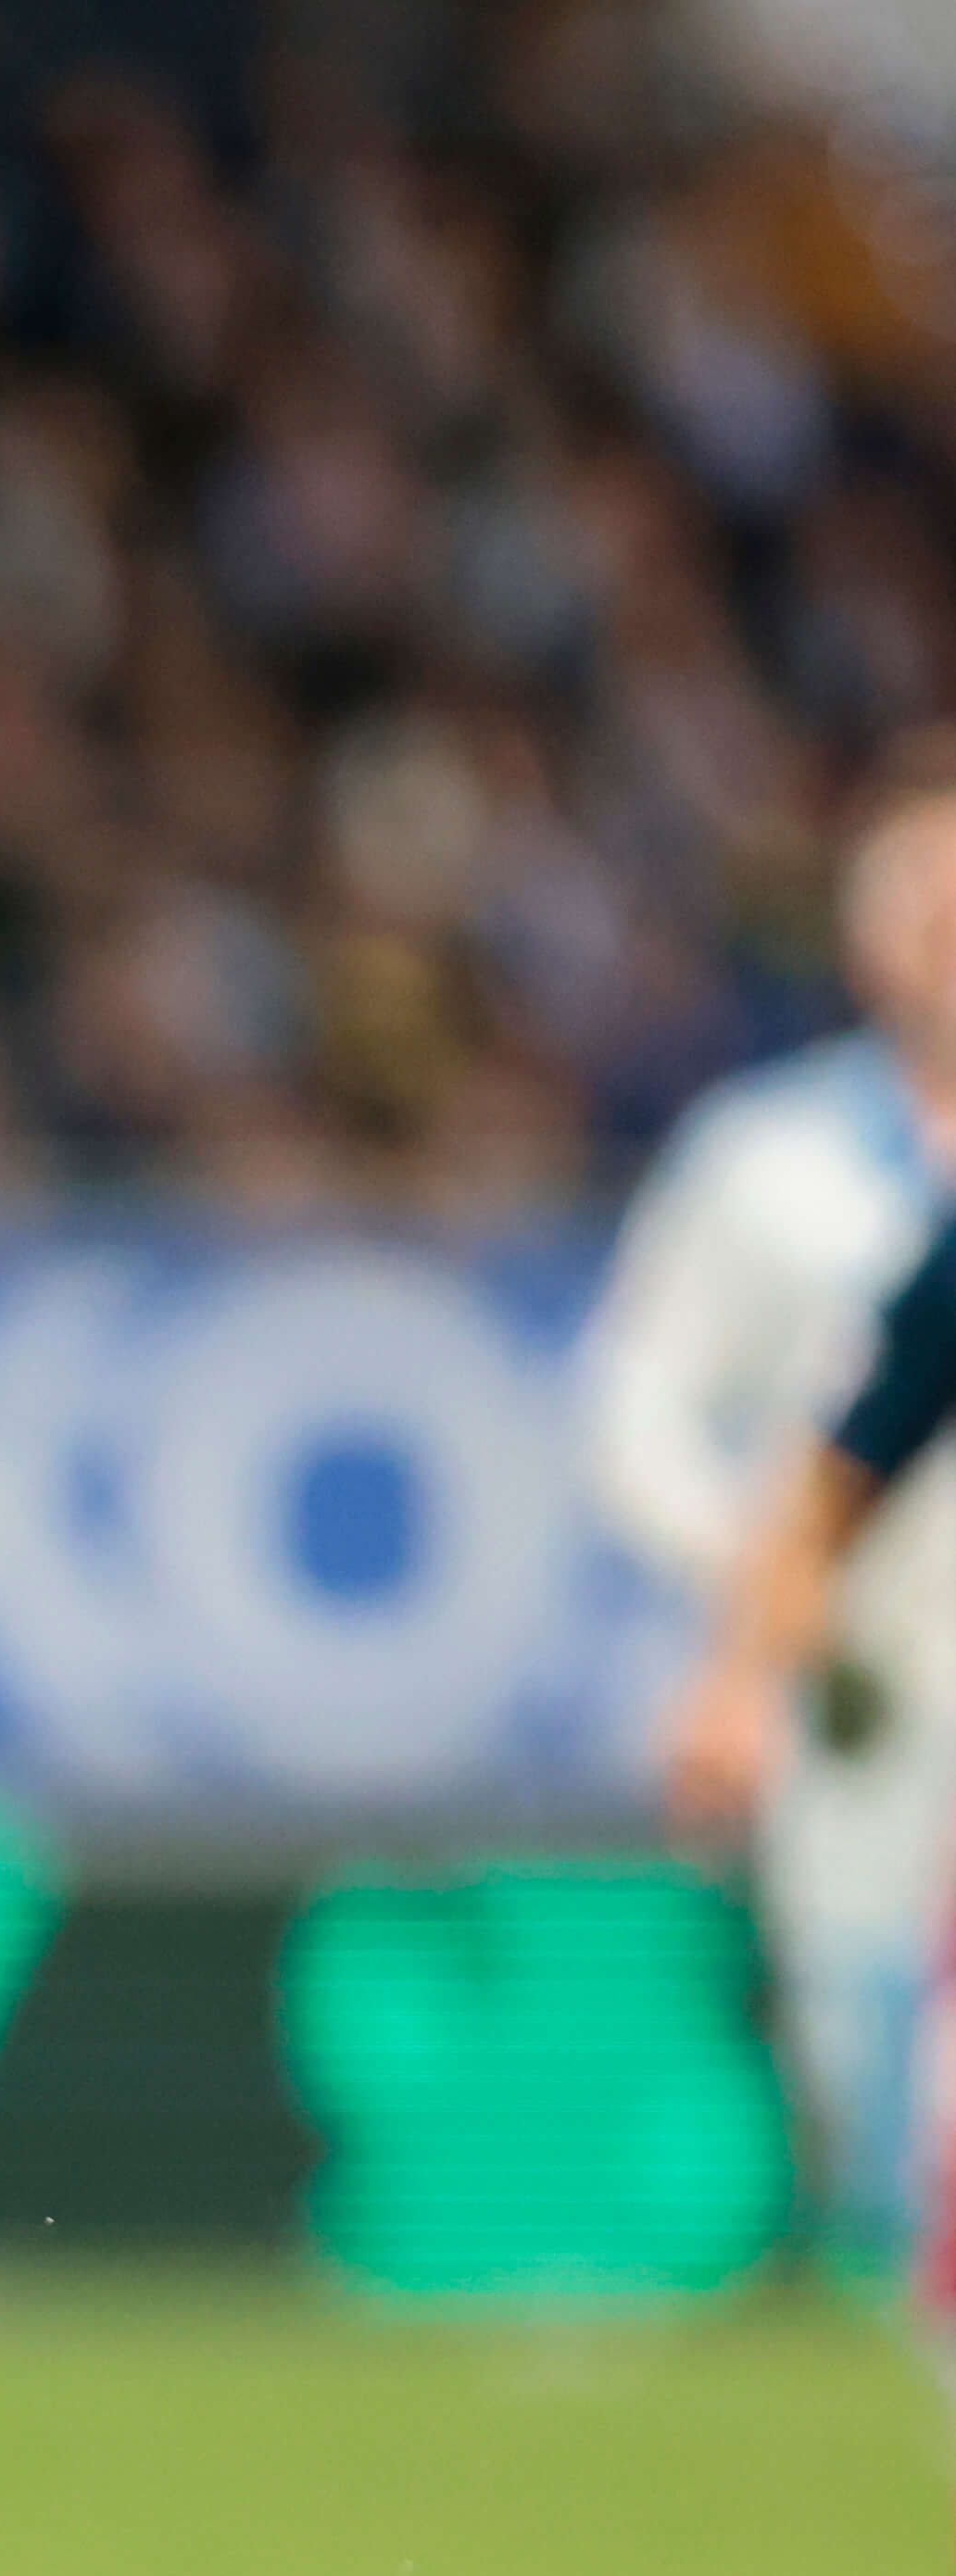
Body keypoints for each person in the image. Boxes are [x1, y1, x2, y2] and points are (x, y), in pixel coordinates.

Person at [592, 738, 956, 2268]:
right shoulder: (766, 1162)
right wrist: (747, 1620)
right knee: (871, 2056)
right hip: (865, 1678)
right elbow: (644, 1415)